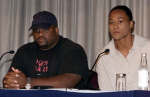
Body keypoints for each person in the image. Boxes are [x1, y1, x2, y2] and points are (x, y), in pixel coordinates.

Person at [3, 11, 89, 89]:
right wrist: (11, 82)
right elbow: (8, 80)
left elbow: (68, 81)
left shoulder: (72, 50)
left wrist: (28, 82)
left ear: (56, 30)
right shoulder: (24, 51)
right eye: (36, 30)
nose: (40, 33)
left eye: (45, 29)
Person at [96, 5, 150, 91]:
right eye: (111, 22)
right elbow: (106, 92)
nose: (115, 26)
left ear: (131, 24)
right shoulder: (103, 56)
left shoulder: (147, 48)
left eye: (120, 21)